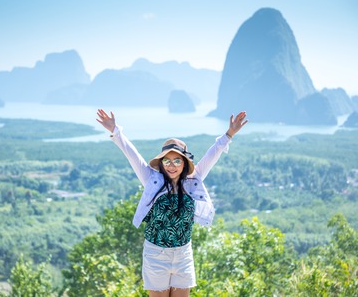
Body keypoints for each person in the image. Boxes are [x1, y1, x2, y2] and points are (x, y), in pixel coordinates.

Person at [96, 109, 248, 297]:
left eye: (177, 160)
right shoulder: (151, 180)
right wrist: (115, 131)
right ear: (161, 163)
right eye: (167, 161)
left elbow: (213, 154)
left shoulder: (193, 181)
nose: (172, 165)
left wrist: (229, 134)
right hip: (156, 254)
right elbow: (132, 155)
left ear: (184, 163)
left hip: (183, 253)